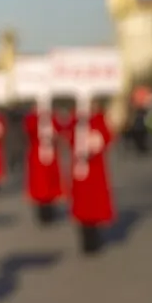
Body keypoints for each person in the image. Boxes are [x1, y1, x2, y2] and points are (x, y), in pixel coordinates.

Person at [62, 101, 116, 254]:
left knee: (94, 203)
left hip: (95, 169)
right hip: (80, 169)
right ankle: (86, 239)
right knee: (81, 205)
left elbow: (107, 137)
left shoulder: (99, 118)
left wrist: (96, 141)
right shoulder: (75, 118)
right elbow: (68, 136)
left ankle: (93, 236)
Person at [23, 104, 64, 224]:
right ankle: (42, 212)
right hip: (38, 156)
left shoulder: (52, 117)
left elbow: (59, 130)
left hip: (51, 157)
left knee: (51, 184)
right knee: (40, 185)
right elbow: (29, 129)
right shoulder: (33, 118)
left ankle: (50, 211)